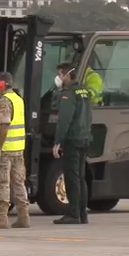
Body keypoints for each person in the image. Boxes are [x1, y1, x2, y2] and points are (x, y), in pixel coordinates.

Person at [0, 71, 30, 229]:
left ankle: (2, 217)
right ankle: (24, 215)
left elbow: (4, 124)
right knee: (19, 183)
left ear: (2, 84)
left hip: (5, 150)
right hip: (18, 149)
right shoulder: (18, 99)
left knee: (2, 183)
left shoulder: (4, 101)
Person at [52, 62, 93, 225]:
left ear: (67, 75)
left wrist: (58, 141)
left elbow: (64, 120)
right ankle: (82, 213)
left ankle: (73, 214)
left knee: (72, 177)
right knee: (81, 177)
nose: (59, 78)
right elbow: (89, 116)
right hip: (84, 138)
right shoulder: (84, 91)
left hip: (72, 139)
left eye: (60, 75)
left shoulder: (68, 93)